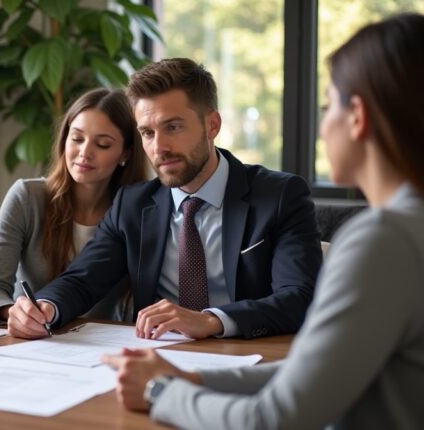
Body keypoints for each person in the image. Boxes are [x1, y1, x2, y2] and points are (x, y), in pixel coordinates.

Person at [102, 13, 424, 429]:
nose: (322, 127)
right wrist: (192, 377)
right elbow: (311, 375)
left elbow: (272, 419)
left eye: (327, 106)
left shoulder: (382, 240)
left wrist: (160, 391)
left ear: (357, 116)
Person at [8, 58, 323, 340]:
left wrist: (211, 320)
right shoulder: (132, 204)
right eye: (147, 132)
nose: (159, 147)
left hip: (246, 358)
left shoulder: (280, 196)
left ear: (212, 125)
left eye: (172, 127)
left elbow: (299, 297)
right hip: (153, 360)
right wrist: (45, 307)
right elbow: (83, 279)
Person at [0, 88, 148, 326]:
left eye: (102, 144)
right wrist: (16, 314)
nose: (84, 153)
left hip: (103, 343)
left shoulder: (137, 212)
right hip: (31, 339)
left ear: (126, 154)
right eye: (77, 138)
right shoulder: (27, 197)